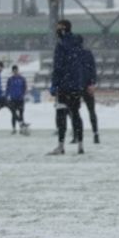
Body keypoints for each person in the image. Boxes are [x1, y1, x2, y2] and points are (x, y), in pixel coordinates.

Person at [49, 19, 87, 155]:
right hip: (76, 86)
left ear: (64, 28)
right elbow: (83, 65)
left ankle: (61, 146)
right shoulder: (78, 45)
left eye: (58, 27)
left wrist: (54, 84)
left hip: (64, 86)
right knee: (76, 113)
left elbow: (58, 67)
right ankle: (81, 145)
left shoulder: (61, 45)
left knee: (61, 115)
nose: (57, 30)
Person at [77, 36, 100, 144]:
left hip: (77, 86)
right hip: (86, 86)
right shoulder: (87, 53)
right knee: (91, 111)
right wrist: (92, 83)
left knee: (75, 111)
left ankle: (77, 134)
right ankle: (95, 133)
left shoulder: (72, 55)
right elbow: (93, 69)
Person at [5, 65, 29, 135]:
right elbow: (7, 89)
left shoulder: (22, 79)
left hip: (20, 99)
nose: (15, 72)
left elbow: (25, 88)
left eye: (16, 70)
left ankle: (21, 129)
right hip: (13, 99)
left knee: (21, 114)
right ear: (12, 71)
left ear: (18, 71)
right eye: (14, 71)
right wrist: (6, 96)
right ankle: (14, 128)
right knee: (13, 114)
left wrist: (23, 94)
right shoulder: (10, 79)